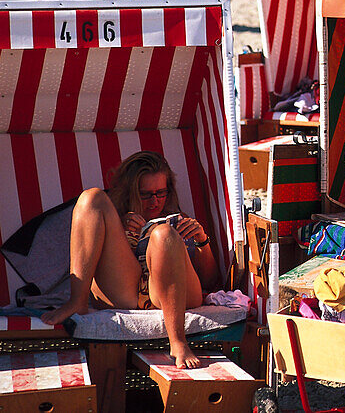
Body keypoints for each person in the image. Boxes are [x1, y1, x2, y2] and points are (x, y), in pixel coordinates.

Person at [41, 151, 217, 368]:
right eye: (146, 195)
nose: (155, 201)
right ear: (129, 191)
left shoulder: (178, 219)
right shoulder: (114, 216)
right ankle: (77, 301)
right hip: (127, 291)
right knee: (91, 198)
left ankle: (178, 340)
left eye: (161, 193)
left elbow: (210, 282)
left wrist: (202, 241)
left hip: (169, 295)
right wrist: (120, 232)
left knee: (163, 234)